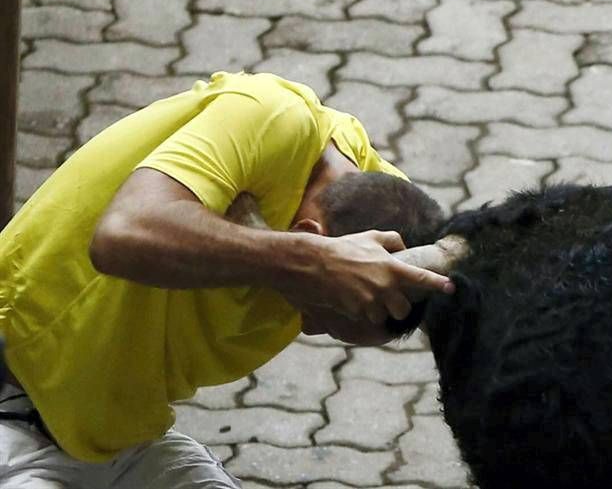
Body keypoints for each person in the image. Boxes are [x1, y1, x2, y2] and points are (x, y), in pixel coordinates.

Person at [0, 71, 454, 488]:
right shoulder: (270, 117)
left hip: (113, 438)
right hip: (13, 396)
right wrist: (309, 263)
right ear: (310, 238)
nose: (307, 328)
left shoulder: (392, 214)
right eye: (320, 311)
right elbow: (122, 235)